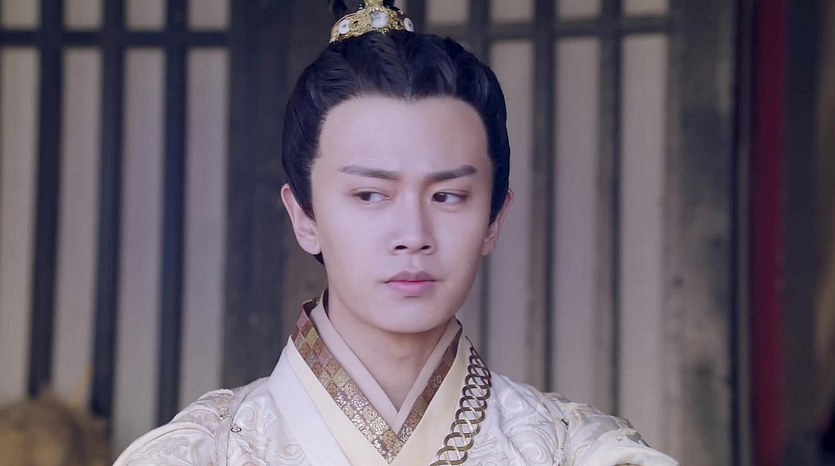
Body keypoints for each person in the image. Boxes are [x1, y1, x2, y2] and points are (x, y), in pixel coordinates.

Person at [115, 1, 679, 464]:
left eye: (448, 196)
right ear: (304, 216)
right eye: (370, 195)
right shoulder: (197, 455)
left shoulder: (580, 453)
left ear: (494, 219)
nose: (413, 234)